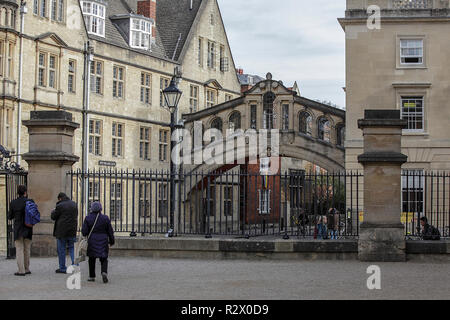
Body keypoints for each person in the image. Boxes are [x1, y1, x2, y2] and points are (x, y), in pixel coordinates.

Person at [82, 202, 115, 283]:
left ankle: (92, 276)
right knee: (104, 258)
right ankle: (104, 272)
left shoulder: (88, 218)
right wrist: (112, 241)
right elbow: (110, 231)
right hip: (103, 241)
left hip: (92, 241)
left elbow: (84, 232)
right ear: (101, 209)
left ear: (92, 209)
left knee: (92, 259)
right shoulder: (105, 218)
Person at [7, 185, 33, 276]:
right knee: (27, 249)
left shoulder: (13, 202)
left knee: (19, 249)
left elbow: (10, 217)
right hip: (28, 227)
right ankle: (27, 268)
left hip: (18, 228)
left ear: (17, 193)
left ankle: (21, 270)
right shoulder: (30, 201)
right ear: (25, 192)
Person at [51, 192, 78, 274]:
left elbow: (53, 217)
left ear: (60, 198)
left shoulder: (59, 206)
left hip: (61, 231)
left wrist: (53, 211)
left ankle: (62, 268)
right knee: (72, 249)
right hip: (72, 230)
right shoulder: (74, 204)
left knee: (61, 249)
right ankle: (76, 266)